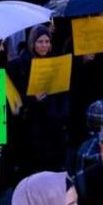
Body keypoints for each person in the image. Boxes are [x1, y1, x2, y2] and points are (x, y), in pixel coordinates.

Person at [6, 25, 70, 174]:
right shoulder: (20, 64)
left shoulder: (56, 61)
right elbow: (14, 95)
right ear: (32, 43)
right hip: (30, 123)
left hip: (52, 120)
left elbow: (64, 91)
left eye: (47, 41)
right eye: (40, 42)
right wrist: (31, 99)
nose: (44, 46)